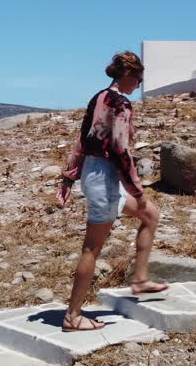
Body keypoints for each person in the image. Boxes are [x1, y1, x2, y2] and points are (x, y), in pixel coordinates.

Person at [56, 51, 166, 332]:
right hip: (106, 176)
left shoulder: (99, 97)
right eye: (139, 79)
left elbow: (82, 140)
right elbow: (120, 150)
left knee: (150, 215)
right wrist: (136, 187)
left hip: (97, 173)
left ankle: (140, 279)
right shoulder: (120, 103)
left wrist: (69, 178)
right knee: (92, 248)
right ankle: (72, 315)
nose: (139, 85)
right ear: (128, 75)